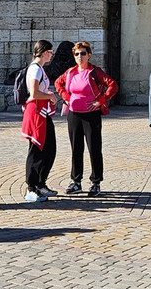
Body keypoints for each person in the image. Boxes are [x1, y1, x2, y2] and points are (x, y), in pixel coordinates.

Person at [55, 41, 118, 197]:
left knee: (94, 148)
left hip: (91, 115)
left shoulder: (95, 72)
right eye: (77, 54)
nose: (80, 57)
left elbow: (113, 85)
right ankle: (76, 181)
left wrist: (101, 100)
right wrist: (66, 98)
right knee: (76, 148)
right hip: (74, 114)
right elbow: (58, 83)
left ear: (89, 55)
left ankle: (96, 182)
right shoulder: (71, 72)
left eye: (83, 53)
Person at [21, 39, 60, 202]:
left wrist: (48, 95)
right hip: (36, 112)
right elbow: (34, 93)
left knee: (49, 148)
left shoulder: (40, 69)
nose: (51, 55)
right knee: (36, 149)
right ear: (44, 52)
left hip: (42, 112)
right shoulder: (35, 69)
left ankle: (40, 183)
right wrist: (49, 96)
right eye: (50, 52)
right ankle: (31, 187)